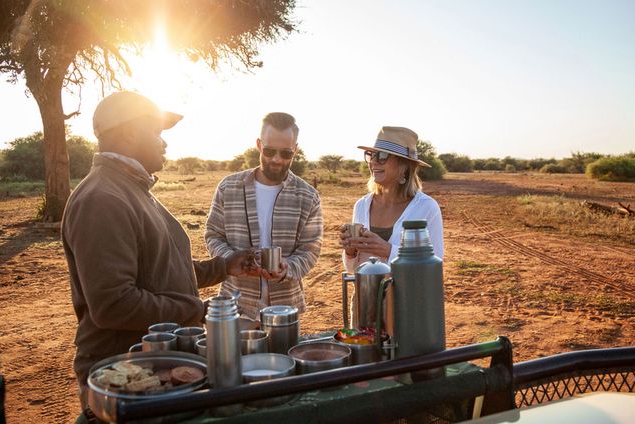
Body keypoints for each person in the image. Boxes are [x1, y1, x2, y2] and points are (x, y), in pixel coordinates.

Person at [61, 91, 256, 409]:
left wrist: (223, 267)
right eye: (156, 132)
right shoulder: (103, 199)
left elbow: (161, 267)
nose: (164, 143)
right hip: (125, 377)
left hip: (151, 367)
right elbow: (114, 304)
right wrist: (195, 310)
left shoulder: (131, 189)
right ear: (127, 133)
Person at [205, 112, 323, 322]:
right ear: (259, 144)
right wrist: (232, 261)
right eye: (269, 151)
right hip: (236, 304)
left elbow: (311, 249)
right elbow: (213, 235)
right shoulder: (228, 187)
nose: (277, 159)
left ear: (295, 149)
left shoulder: (308, 196)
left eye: (286, 153)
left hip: (286, 309)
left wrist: (288, 268)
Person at [340, 126, 444, 272]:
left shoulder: (426, 207)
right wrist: (350, 251)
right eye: (371, 155)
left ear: (404, 165)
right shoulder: (362, 205)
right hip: (364, 293)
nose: (373, 162)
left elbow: (435, 265)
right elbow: (352, 270)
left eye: (382, 156)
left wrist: (388, 250)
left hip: (408, 295)